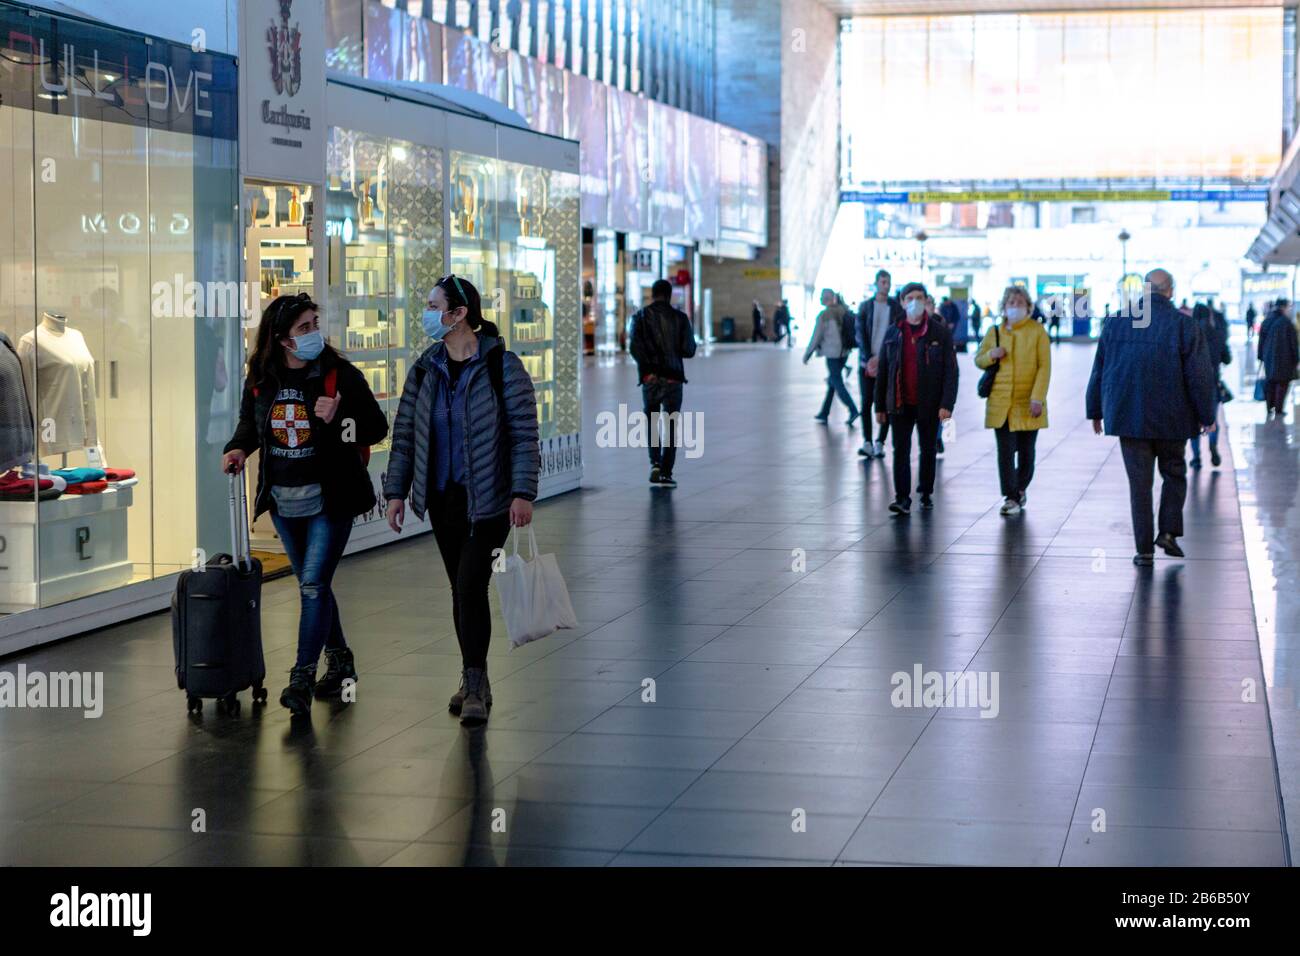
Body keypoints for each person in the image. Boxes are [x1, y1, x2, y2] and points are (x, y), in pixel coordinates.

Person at [384, 275, 540, 726]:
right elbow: (406, 436)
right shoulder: (425, 369)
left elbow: (524, 436)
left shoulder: (502, 366)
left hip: (490, 500)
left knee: (471, 584)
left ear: (459, 314)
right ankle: (476, 676)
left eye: (435, 306)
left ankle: (474, 682)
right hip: (442, 499)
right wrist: (396, 491)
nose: (428, 314)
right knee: (461, 589)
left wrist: (522, 492)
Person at [222, 293, 389, 715]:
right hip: (283, 500)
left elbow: (376, 426)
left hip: (331, 499)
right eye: (304, 328)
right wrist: (237, 449)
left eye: (315, 324)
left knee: (313, 585)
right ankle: (342, 659)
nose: (314, 333)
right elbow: (250, 424)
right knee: (313, 586)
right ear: (281, 339)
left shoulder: (340, 376)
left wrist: (340, 418)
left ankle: (301, 675)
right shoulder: (261, 379)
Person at [1085, 269, 1216, 566]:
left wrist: (1095, 409)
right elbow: (1199, 375)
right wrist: (1207, 414)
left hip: (1129, 417)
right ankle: (1168, 532)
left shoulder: (1117, 322)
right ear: (1170, 291)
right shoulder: (1185, 325)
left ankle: (1143, 550)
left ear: (1144, 292)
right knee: (1174, 474)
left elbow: (1100, 367)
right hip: (1173, 418)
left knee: (1139, 484)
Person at [874, 282, 958, 515]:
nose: (915, 302)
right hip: (900, 403)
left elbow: (951, 371)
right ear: (901, 302)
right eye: (910, 297)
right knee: (900, 450)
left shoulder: (939, 333)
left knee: (928, 448)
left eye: (920, 297)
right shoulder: (893, 332)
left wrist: (947, 404)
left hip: (929, 403)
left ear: (926, 300)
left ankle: (926, 491)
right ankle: (902, 498)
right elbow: (883, 370)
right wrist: (879, 405)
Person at [974, 286, 1051, 515]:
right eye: (1011, 302)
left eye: (1019, 302)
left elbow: (1044, 367)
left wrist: (1038, 398)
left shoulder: (1037, 332)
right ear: (1004, 307)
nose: (1014, 307)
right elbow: (979, 360)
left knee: (1027, 453)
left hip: (1028, 403)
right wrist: (991, 355)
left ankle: (1020, 488)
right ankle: (1011, 496)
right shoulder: (994, 332)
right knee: (1005, 452)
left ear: (1028, 307)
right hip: (1001, 404)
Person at [628, 278, 698, 486]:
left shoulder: (639, 317)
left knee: (651, 421)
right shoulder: (680, 318)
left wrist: (648, 368)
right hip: (673, 379)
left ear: (652, 294)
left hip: (650, 379)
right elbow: (689, 350)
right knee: (671, 425)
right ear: (669, 295)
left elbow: (634, 347)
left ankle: (655, 463)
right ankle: (667, 473)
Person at [855, 269, 904, 459]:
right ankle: (867, 441)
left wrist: (883, 358)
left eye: (888, 282)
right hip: (866, 364)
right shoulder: (866, 307)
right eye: (883, 282)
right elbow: (859, 333)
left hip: (888, 364)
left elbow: (897, 334)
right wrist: (869, 358)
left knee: (886, 404)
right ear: (876, 283)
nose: (886, 285)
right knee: (866, 402)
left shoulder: (895, 308)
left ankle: (880, 442)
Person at [804, 287, 859, 427]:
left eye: (822, 296)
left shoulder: (825, 315)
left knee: (836, 381)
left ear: (827, 298)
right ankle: (824, 412)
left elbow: (816, 337)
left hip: (832, 354)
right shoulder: (843, 310)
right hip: (844, 353)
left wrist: (807, 354)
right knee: (832, 382)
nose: (820, 299)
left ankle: (853, 410)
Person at [1190, 303, 1230, 468]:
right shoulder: (1217, 334)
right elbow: (1227, 359)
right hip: (1212, 381)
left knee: (1193, 420)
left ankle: (1196, 457)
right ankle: (1213, 445)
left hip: (1191, 383)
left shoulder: (1189, 333)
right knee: (1211, 418)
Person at [1257, 298, 1299, 421]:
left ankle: (1269, 407)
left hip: (1268, 358)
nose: (1290, 309)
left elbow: (1261, 341)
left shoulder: (1267, 321)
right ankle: (1279, 409)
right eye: (1288, 307)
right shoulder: (1287, 323)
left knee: (1270, 382)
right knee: (1282, 383)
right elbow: (1293, 344)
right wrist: (1296, 359)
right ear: (1283, 307)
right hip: (1285, 359)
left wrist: (1261, 357)